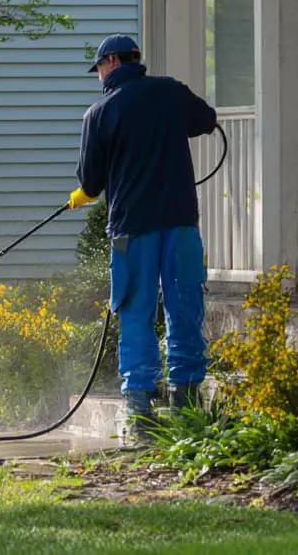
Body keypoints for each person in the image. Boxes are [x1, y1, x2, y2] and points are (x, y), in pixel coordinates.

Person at [67, 33, 218, 440]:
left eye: (98, 67)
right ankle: (188, 409)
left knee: (134, 310)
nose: (98, 75)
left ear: (112, 62)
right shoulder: (170, 92)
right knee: (184, 305)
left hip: (131, 230)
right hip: (180, 221)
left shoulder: (98, 115)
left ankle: (140, 416)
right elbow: (206, 120)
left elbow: (92, 183)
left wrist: (82, 194)